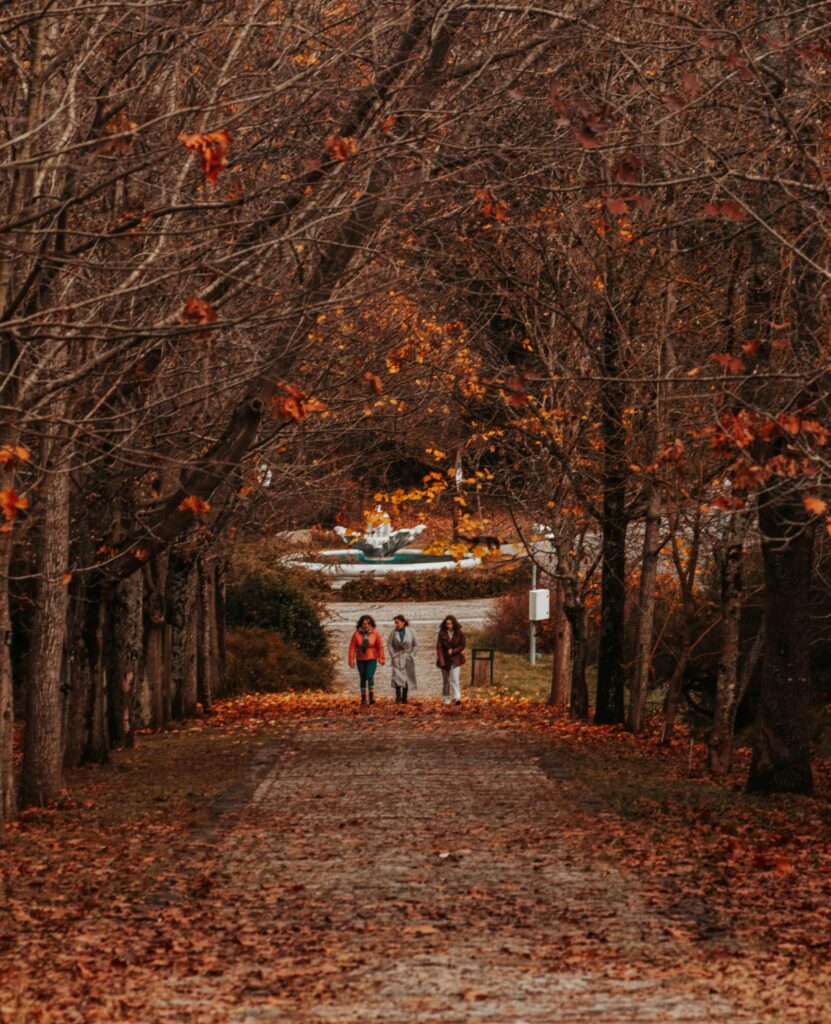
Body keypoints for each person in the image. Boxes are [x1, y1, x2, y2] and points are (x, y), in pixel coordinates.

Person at [348, 614, 385, 705]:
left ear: (370, 624)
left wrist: (381, 658)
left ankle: (371, 697)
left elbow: (380, 646)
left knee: (369, 676)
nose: (366, 625)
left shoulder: (375, 633)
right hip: (360, 659)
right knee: (363, 678)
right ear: (361, 624)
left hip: (372, 658)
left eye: (368, 623)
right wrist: (351, 660)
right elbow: (352, 647)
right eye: (364, 623)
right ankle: (363, 698)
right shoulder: (356, 634)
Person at [436, 614, 466, 705]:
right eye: (447, 624)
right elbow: (439, 647)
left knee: (455, 678)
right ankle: (446, 698)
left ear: (454, 624)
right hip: (444, 659)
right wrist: (441, 660)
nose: (449, 626)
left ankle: (457, 697)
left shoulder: (459, 632)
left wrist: (453, 651)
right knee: (446, 680)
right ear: (445, 624)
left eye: (451, 624)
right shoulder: (441, 633)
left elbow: (463, 645)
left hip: (456, 659)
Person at [388, 614, 417, 704]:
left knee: (406, 677)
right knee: (397, 677)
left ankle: (404, 697)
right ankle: (398, 696)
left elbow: (415, 644)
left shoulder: (411, 631)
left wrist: (412, 654)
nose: (396, 624)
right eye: (395, 623)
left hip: (408, 657)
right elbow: (389, 645)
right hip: (397, 657)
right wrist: (393, 655)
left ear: (403, 622)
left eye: (398, 623)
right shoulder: (393, 633)